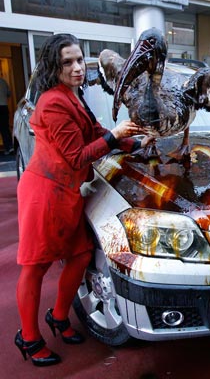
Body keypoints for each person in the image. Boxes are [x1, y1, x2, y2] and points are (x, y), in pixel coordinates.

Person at [14, 33, 153, 367]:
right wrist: (115, 135)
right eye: (67, 62)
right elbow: (78, 156)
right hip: (44, 196)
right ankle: (29, 340)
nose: (77, 68)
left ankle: (59, 317)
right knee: (35, 269)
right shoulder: (53, 102)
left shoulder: (72, 96)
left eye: (79, 60)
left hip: (66, 194)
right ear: (54, 66)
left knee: (78, 257)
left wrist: (137, 143)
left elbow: (94, 134)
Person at [0, 75, 13, 154]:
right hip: (4, 107)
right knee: (5, 127)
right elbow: (9, 93)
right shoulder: (3, 81)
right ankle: (9, 147)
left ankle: (7, 147)